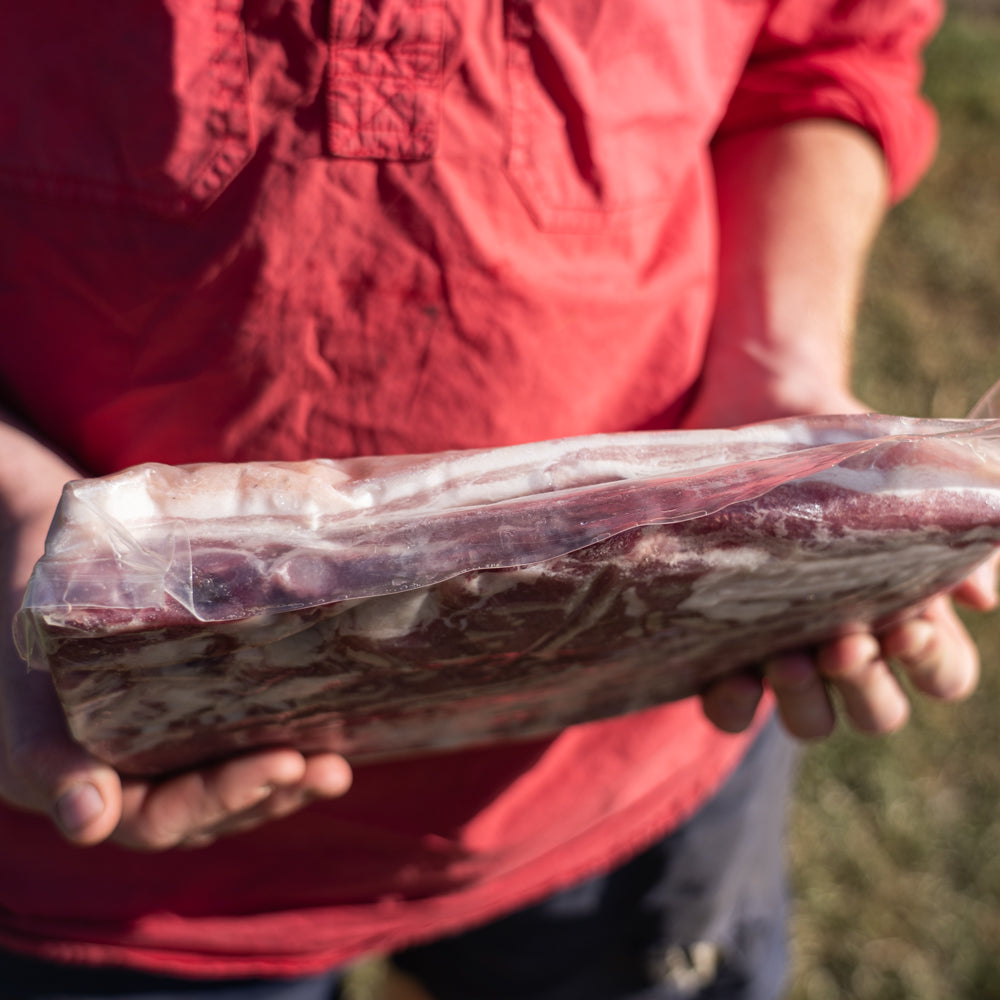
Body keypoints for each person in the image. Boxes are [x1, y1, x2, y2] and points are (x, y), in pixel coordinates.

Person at [0, 1, 992, 997]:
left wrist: (778, 377)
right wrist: (11, 500)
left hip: (620, 752)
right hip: (104, 851)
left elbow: (819, 45)